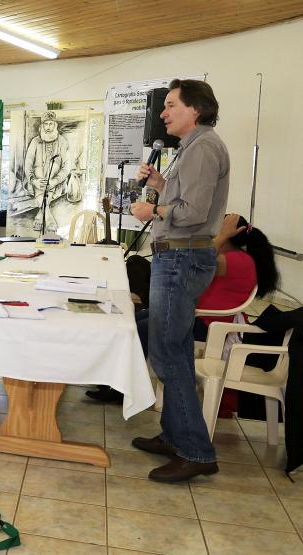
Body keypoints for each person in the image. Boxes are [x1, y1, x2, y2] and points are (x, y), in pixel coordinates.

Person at [128, 79, 230, 483]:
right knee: (175, 350)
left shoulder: (203, 147)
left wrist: (151, 210)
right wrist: (159, 186)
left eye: (171, 105)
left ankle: (196, 451)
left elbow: (192, 212)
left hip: (183, 257)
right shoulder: (194, 146)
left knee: (168, 352)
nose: (164, 113)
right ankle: (175, 435)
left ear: (196, 109)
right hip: (180, 255)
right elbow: (186, 198)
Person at [89, 214, 279, 407]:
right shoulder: (233, 257)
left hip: (208, 325)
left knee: (144, 328)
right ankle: (116, 381)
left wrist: (220, 236)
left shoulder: (238, 260)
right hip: (196, 317)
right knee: (136, 321)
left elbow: (195, 261)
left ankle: (122, 389)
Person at [24, 111, 71, 233]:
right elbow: (27, 165)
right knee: (39, 171)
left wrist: (54, 181)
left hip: (55, 182)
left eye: (51, 124)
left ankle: (41, 214)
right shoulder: (35, 142)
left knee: (55, 165)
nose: (48, 127)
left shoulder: (62, 142)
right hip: (37, 182)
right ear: (42, 126)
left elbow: (67, 167)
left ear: (55, 125)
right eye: (46, 124)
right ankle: (48, 217)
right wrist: (34, 181)